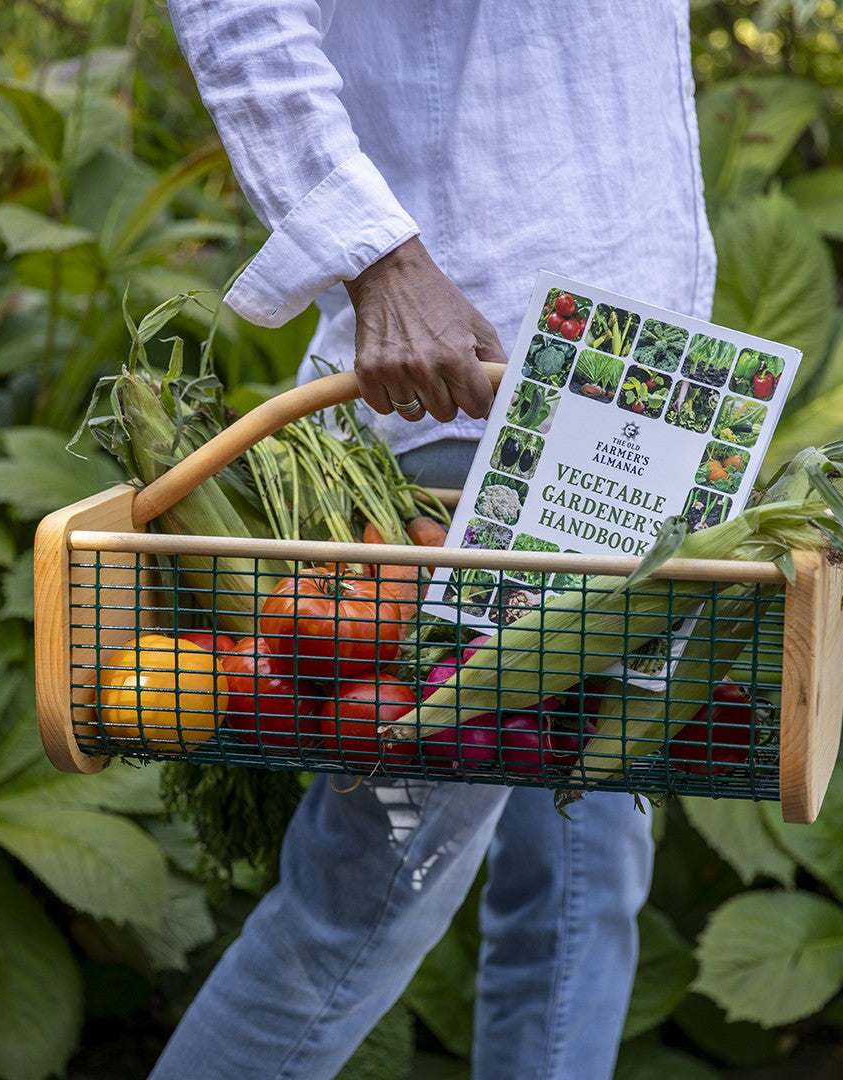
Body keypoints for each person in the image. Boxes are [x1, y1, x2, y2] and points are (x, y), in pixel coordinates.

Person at [151, 2, 716, 1078]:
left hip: (634, 406)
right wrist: (379, 255)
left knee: (587, 876)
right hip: (470, 406)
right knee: (361, 909)